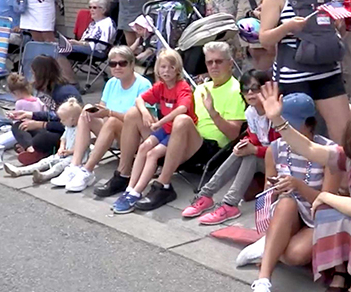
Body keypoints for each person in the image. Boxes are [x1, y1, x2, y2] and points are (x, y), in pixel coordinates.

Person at [247, 92, 339, 292]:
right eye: (280, 124)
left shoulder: (329, 152)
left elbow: (327, 203)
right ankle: (263, 281)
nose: (283, 130)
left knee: (294, 255)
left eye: (290, 125)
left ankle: (270, 247)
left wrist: (299, 185)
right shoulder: (275, 149)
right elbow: (266, 195)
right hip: (286, 212)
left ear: (310, 125)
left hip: (317, 216)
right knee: (286, 203)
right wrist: (274, 194)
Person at [258, 0, 351, 146]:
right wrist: (287, 27)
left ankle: (344, 177)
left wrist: (339, 24)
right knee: (301, 140)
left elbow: (339, 30)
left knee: (345, 135)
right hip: (294, 74)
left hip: (327, 69)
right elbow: (264, 39)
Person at [134, 42, 247, 211]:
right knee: (133, 114)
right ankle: (129, 183)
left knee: (181, 120)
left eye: (219, 61)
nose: (214, 66)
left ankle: (162, 185)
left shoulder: (236, 90)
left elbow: (233, 135)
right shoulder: (201, 87)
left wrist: (213, 113)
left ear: (230, 63)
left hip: (210, 148)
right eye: (209, 62)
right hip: (185, 138)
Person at [183, 70, 276, 224]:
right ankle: (206, 195)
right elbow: (253, 138)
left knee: (250, 155)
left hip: (278, 163)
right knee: (241, 152)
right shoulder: (251, 112)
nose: (250, 93)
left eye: (255, 88)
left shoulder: (274, 114)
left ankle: (230, 204)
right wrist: (244, 145)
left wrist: (254, 150)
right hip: (263, 157)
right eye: (246, 89)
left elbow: (281, 150)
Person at [54, 46, 152, 192]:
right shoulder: (111, 83)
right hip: (108, 131)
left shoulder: (143, 85)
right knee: (86, 110)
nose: (117, 67)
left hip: (132, 137)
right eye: (113, 64)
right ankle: (75, 166)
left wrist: (109, 113)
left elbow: (141, 120)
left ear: (132, 64)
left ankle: (87, 170)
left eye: (122, 63)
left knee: (112, 121)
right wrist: (96, 111)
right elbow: (102, 107)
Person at [110, 49, 194, 213]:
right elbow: (139, 99)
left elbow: (183, 108)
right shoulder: (160, 86)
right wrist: (146, 112)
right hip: (165, 130)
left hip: (178, 131)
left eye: (171, 67)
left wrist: (160, 122)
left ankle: (136, 192)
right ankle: (130, 188)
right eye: (163, 67)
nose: (166, 71)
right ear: (157, 69)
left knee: (152, 153)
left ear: (178, 69)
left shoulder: (183, 87)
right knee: (143, 148)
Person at [7, 55, 84, 160]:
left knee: (41, 139)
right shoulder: (49, 89)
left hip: (67, 133)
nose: (32, 77)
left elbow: (69, 124)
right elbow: (52, 115)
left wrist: (41, 125)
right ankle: (31, 151)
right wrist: (30, 115)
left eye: (34, 73)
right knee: (19, 126)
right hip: (52, 126)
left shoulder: (64, 93)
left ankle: (35, 149)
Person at [4, 98, 83, 183]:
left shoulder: (81, 129)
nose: (61, 121)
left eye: (63, 120)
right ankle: (20, 170)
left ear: (72, 119)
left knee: (59, 166)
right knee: (45, 161)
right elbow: (63, 138)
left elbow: (82, 145)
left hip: (75, 156)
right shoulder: (68, 127)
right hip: (64, 152)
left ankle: (45, 175)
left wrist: (70, 151)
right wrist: (62, 147)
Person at [60, 0, 115, 77]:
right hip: (86, 48)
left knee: (61, 49)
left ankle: (68, 77)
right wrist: (76, 42)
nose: (91, 10)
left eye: (94, 8)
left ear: (103, 10)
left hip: (96, 52)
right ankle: (65, 74)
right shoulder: (93, 23)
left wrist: (79, 43)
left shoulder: (107, 23)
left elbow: (100, 45)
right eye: (90, 7)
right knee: (57, 43)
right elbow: (84, 39)